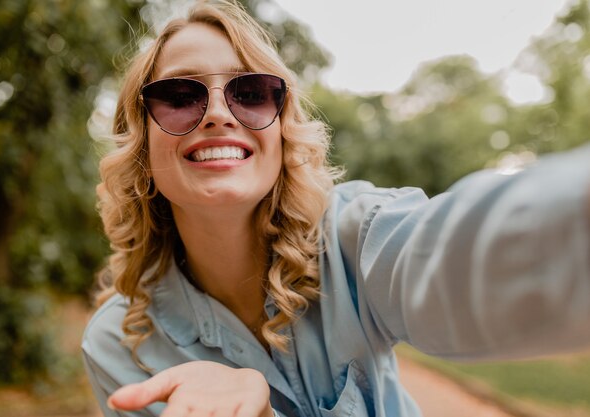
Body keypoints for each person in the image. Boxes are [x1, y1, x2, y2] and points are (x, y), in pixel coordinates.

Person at [81, 1, 590, 416]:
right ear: (141, 145)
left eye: (251, 92)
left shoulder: (355, 236)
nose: (217, 113)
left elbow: (468, 255)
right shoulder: (117, 346)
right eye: (179, 95)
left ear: (282, 131)